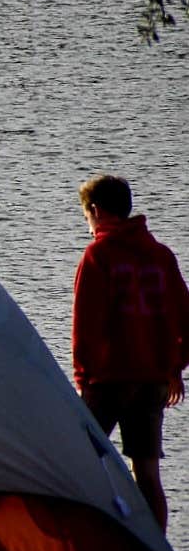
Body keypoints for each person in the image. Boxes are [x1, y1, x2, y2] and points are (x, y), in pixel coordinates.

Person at [72, 174, 189, 532]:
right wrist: (174, 368)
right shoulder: (161, 255)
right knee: (148, 473)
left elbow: (85, 326)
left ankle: (84, 541)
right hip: (152, 380)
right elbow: (185, 319)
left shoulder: (97, 255)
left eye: (87, 218)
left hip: (108, 381)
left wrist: (82, 380)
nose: (89, 227)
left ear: (95, 210)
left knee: (77, 460)